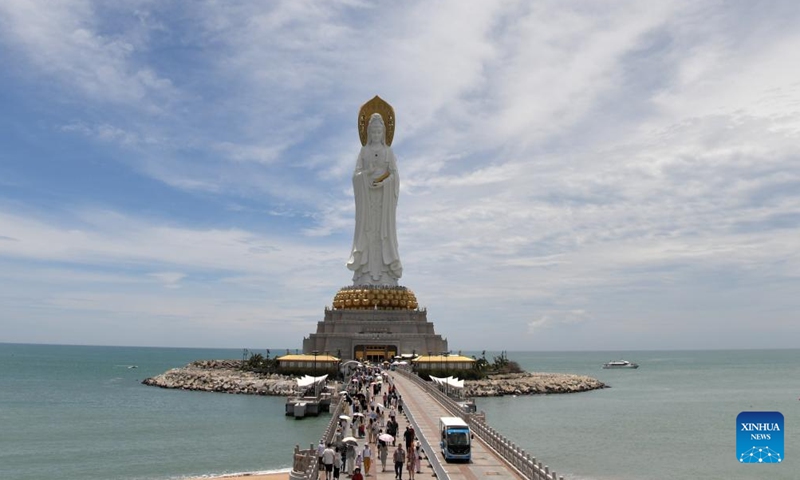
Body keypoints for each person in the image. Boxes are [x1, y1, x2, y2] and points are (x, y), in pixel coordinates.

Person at [347, 112, 403, 286]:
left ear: (384, 133)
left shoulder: (388, 152)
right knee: (368, 232)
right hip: (368, 201)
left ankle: (387, 273)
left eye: (379, 132)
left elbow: (395, 176)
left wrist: (385, 182)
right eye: (373, 132)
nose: (376, 135)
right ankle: (365, 274)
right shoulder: (364, 151)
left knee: (383, 234)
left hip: (384, 201)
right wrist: (367, 174)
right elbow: (356, 176)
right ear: (369, 133)